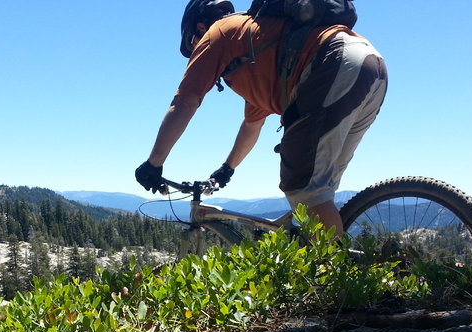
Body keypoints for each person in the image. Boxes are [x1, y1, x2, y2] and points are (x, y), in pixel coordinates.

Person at [135, 0, 387, 235]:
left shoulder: (219, 33)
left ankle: (335, 278)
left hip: (334, 63)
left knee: (303, 188)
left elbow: (185, 102)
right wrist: (226, 170)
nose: (195, 53)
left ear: (200, 27)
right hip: (369, 64)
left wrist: (153, 164)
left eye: (192, 43)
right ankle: (345, 269)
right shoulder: (253, 45)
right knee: (319, 190)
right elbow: (251, 126)